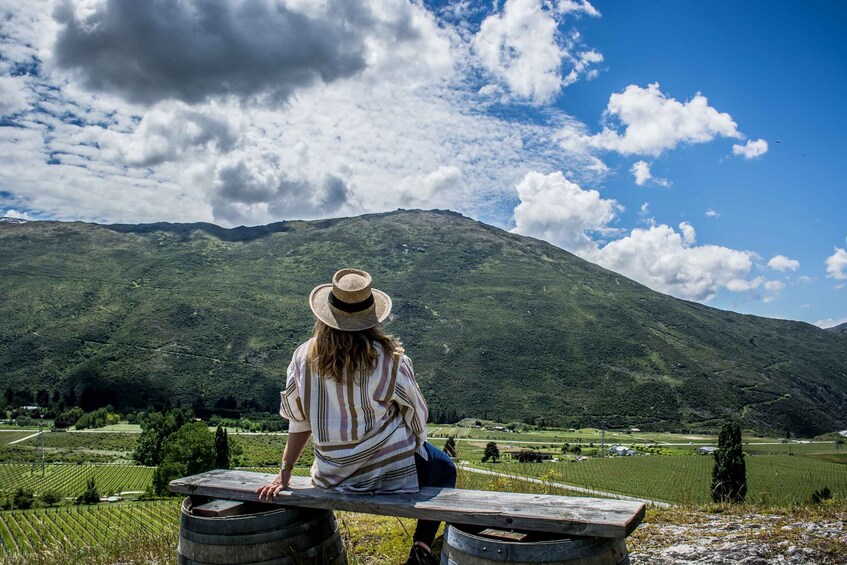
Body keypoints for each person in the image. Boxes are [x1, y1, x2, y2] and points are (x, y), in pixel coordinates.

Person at [256, 268, 456, 565]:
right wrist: (416, 443)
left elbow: (299, 421)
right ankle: (422, 547)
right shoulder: (390, 359)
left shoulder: (302, 357)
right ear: (372, 315)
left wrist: (285, 472)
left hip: (331, 474)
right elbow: (418, 414)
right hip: (386, 471)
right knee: (445, 469)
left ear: (326, 314)